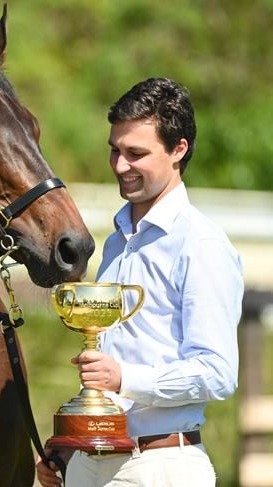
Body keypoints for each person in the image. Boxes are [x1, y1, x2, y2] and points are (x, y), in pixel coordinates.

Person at [36, 77, 243, 486]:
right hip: (89, 462)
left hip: (160, 466)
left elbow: (218, 372)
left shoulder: (200, 244)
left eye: (136, 153)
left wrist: (126, 379)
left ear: (178, 149)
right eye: (114, 150)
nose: (119, 166)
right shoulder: (115, 242)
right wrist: (70, 443)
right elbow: (113, 354)